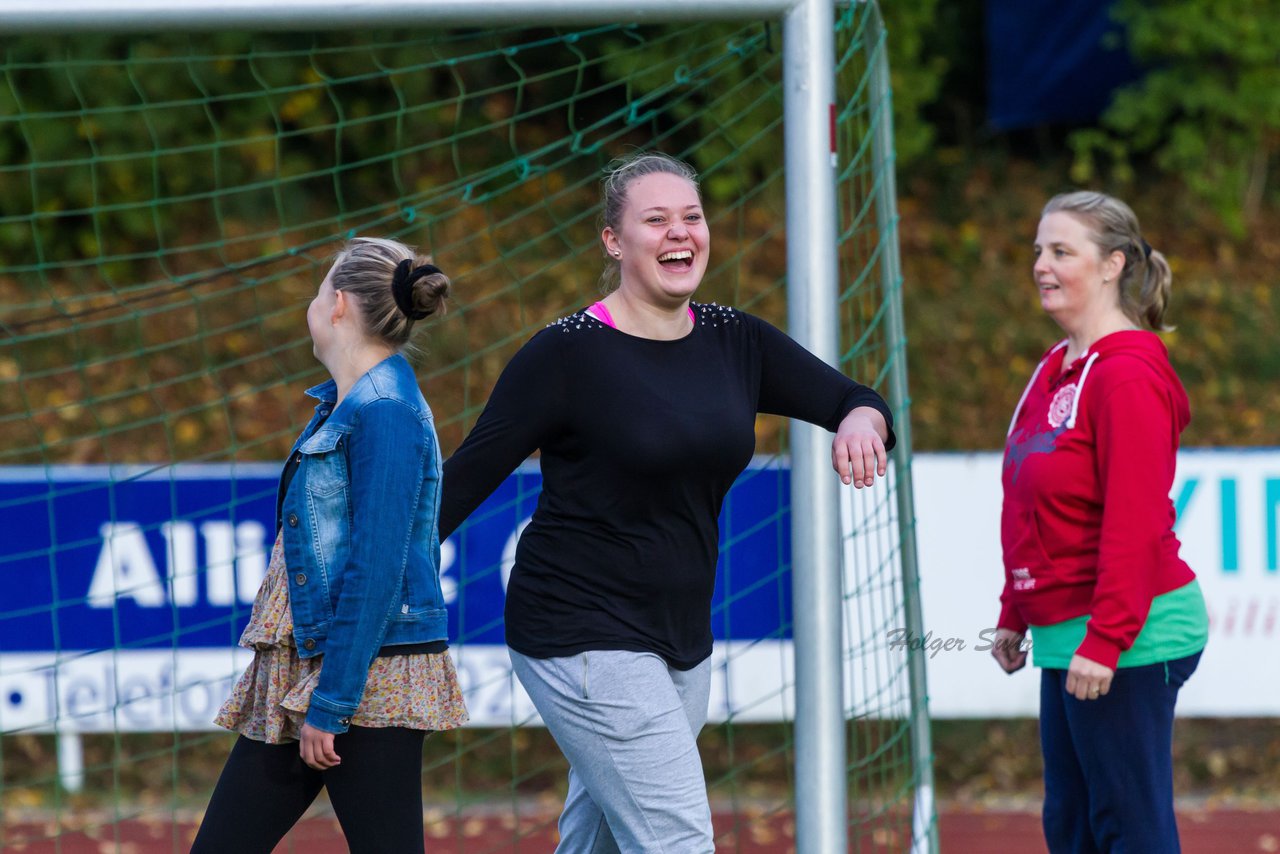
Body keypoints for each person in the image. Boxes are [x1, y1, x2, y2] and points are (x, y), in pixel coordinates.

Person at [438, 151, 895, 853]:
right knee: (678, 842)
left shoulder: (732, 338)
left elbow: (851, 398)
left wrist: (864, 420)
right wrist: (363, 582)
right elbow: (461, 482)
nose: (680, 232)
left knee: (602, 845)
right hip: (579, 633)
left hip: (680, 642)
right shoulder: (564, 355)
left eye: (692, 216)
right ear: (614, 241)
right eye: (656, 219)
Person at [192, 238, 468, 854]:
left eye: (319, 289)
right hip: (309, 665)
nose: (313, 302)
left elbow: (377, 568)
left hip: (370, 677)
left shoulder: (388, 410)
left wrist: (333, 700)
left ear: (338, 304)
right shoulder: (342, 405)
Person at [991, 191, 1209, 853]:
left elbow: (1135, 521)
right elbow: (1028, 502)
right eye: (1038, 251)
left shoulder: (1127, 376)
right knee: (1074, 828)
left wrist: (1108, 638)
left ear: (1113, 264)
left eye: (1062, 251)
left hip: (1131, 635)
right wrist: (1015, 608)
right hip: (1067, 632)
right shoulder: (1054, 370)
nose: (1041, 265)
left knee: (1128, 830)